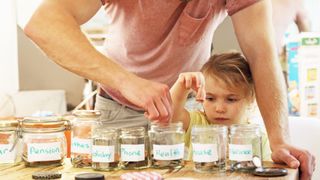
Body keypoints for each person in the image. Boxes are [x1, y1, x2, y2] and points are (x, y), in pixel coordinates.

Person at [24, 0, 315, 179]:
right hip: (119, 114)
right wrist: (128, 82)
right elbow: (43, 24)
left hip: (187, 116)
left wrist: (279, 141)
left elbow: (262, 53)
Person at [170, 52, 271, 160]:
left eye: (231, 99)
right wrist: (182, 86)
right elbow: (171, 115)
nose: (219, 109)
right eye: (210, 98)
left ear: (251, 98)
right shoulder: (197, 123)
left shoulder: (257, 137)